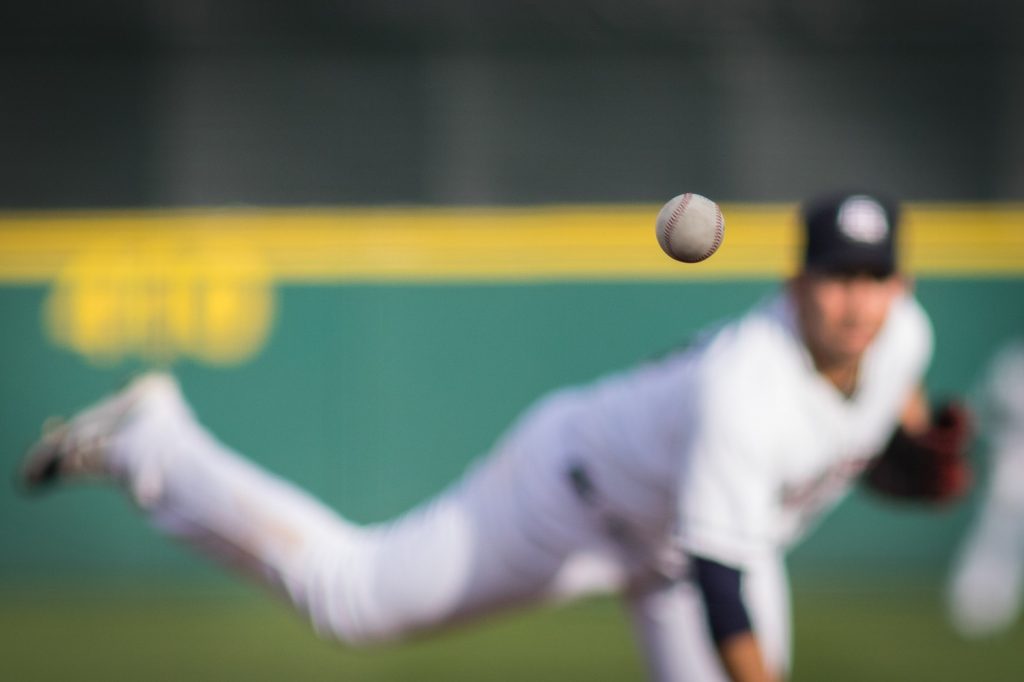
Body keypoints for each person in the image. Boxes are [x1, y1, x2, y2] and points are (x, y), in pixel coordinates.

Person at [19, 191, 971, 682]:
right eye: (835, 276)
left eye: (873, 276)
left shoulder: (903, 342)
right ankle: (152, 443)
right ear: (796, 281)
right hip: (575, 497)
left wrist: (910, 435)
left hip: (691, 539)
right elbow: (723, 585)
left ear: (901, 287)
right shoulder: (743, 389)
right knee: (352, 600)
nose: (855, 300)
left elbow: (900, 401)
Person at [947, 337, 1024, 637]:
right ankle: (975, 605)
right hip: (1013, 467)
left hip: (1010, 466)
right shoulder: (1013, 362)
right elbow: (985, 410)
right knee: (995, 536)